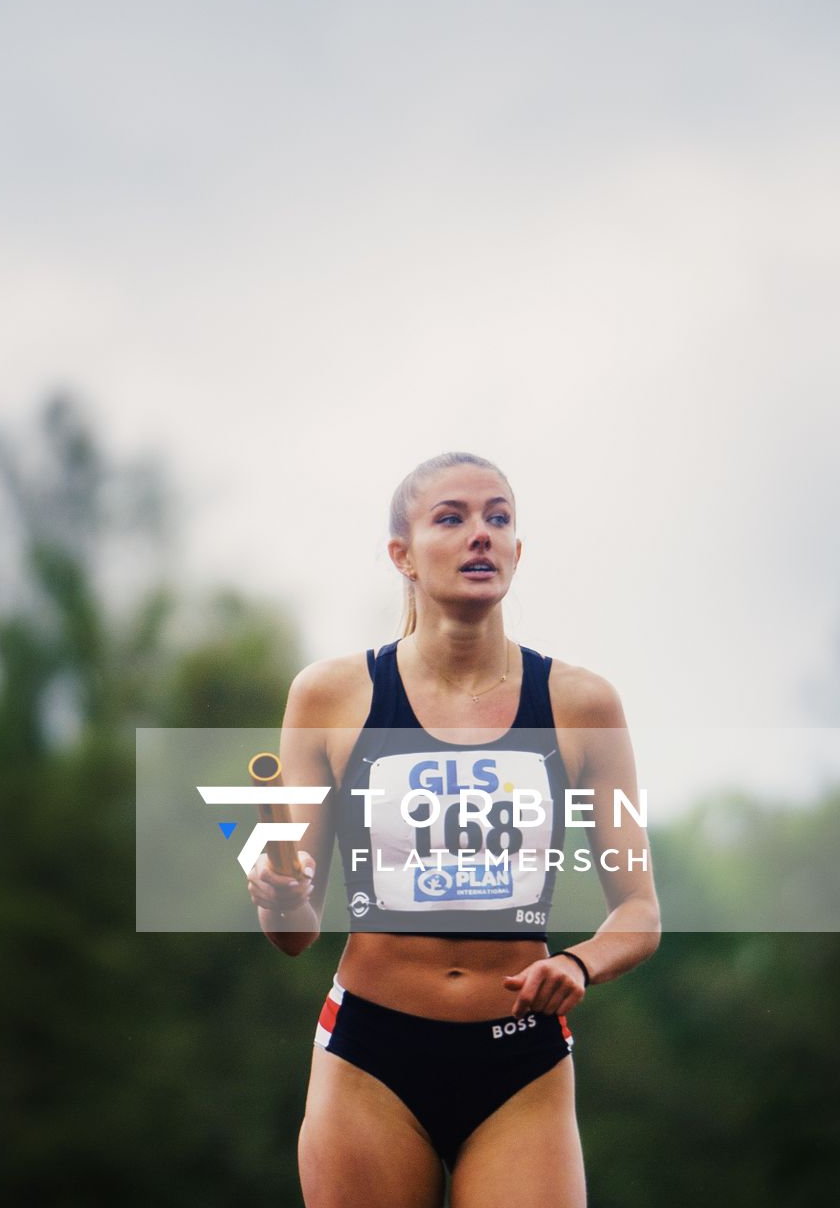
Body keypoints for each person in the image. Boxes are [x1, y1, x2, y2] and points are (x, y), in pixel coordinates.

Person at [247, 452, 659, 1208]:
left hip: (519, 1067)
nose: (481, 535)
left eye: (498, 518)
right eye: (452, 518)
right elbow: (296, 933)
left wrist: (578, 963)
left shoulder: (582, 704)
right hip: (370, 1059)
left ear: (518, 552)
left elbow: (639, 913)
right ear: (401, 555)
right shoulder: (331, 695)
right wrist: (277, 897)